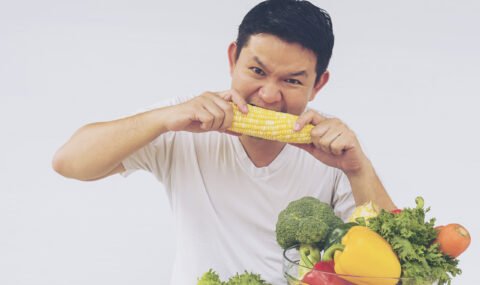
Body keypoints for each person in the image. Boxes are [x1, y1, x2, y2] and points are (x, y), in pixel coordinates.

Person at [52, 0, 396, 284]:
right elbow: (69, 162)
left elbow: (392, 268)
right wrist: (160, 119)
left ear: (318, 84)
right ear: (233, 58)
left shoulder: (332, 150)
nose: (268, 95)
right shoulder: (184, 121)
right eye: (257, 71)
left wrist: (357, 168)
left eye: (291, 80)